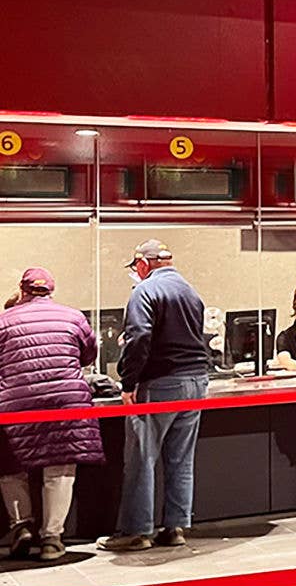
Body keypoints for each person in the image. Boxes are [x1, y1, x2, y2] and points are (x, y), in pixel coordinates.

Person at [100, 240, 209, 552]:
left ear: (143, 265)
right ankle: (175, 527)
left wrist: (128, 382)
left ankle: (137, 531)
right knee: (181, 459)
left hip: (160, 383)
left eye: (135, 268)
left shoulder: (144, 292)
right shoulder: (190, 290)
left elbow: (139, 336)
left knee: (142, 458)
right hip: (196, 381)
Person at [0, 268, 102, 562]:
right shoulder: (73, 317)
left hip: (16, 403)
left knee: (11, 466)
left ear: (22, 290)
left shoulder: (4, 321)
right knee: (59, 470)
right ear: (51, 291)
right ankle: (52, 539)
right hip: (65, 402)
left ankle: (21, 526)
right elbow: (88, 355)